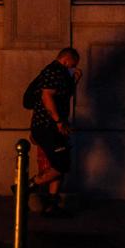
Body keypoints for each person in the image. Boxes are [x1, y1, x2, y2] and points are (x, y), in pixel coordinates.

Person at [26, 47, 82, 216]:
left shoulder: (61, 74)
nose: (73, 67)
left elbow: (62, 95)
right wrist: (57, 121)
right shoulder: (54, 71)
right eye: (73, 64)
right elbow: (47, 96)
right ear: (66, 60)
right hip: (48, 127)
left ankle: (51, 204)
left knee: (59, 163)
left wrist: (75, 80)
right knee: (62, 164)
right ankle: (26, 186)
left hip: (56, 126)